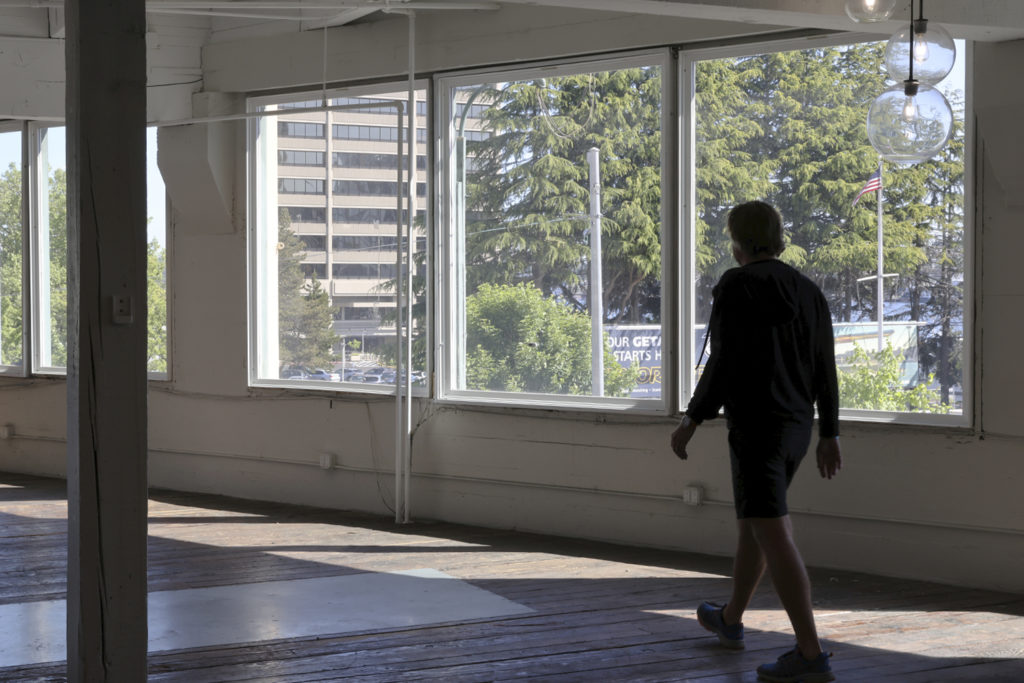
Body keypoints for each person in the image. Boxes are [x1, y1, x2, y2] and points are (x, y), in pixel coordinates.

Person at [671, 200, 841, 683]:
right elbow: (825, 369)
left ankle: (810, 654)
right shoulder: (809, 291)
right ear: (779, 236)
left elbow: (723, 362)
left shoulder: (736, 285)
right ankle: (729, 621)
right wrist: (829, 431)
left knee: (773, 531)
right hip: (796, 429)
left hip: (754, 427)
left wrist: (692, 418)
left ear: (737, 241)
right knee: (755, 525)